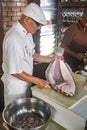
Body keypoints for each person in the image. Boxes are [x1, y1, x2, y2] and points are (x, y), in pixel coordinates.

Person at [1, 3, 63, 107]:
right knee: (16, 115)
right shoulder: (14, 38)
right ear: (27, 20)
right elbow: (15, 72)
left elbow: (32, 54)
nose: (39, 28)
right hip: (16, 86)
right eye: (37, 24)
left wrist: (51, 59)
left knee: (25, 112)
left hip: (26, 81)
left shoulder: (27, 34)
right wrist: (39, 81)